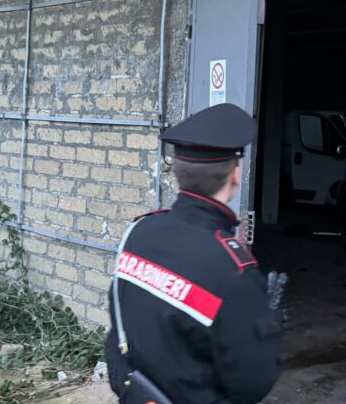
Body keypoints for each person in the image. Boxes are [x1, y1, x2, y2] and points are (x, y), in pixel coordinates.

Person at [105, 103, 283, 404]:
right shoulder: (233, 269)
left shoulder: (137, 233)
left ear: (177, 171)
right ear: (235, 175)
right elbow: (253, 383)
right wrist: (267, 327)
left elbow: (119, 318)